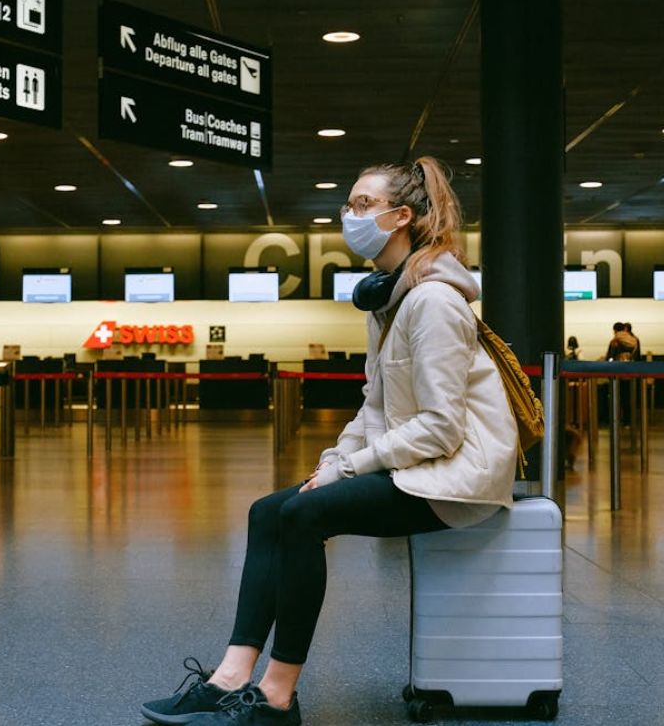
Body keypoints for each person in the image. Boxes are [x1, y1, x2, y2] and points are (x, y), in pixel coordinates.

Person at [140, 157, 519, 726]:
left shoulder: (433, 302)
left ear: (402, 218)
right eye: (349, 204)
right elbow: (375, 405)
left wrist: (353, 468)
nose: (350, 215)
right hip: (417, 465)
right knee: (268, 510)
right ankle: (229, 677)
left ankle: (276, 697)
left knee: (303, 516)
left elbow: (443, 426)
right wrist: (337, 460)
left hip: (456, 477)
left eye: (363, 205)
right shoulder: (389, 301)